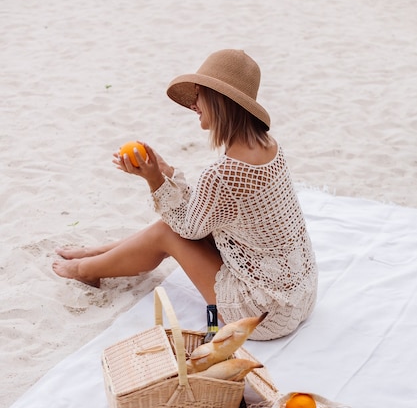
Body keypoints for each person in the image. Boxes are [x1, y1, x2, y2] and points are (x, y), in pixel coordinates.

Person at [53, 49, 317, 340]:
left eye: (199, 95)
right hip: (299, 294)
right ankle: (98, 254)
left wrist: (155, 179)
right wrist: (168, 173)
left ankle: (86, 268)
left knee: (164, 233)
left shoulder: (224, 172)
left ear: (220, 101)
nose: (193, 104)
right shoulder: (270, 147)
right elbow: (210, 213)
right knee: (173, 227)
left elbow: (187, 229)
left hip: (261, 314)